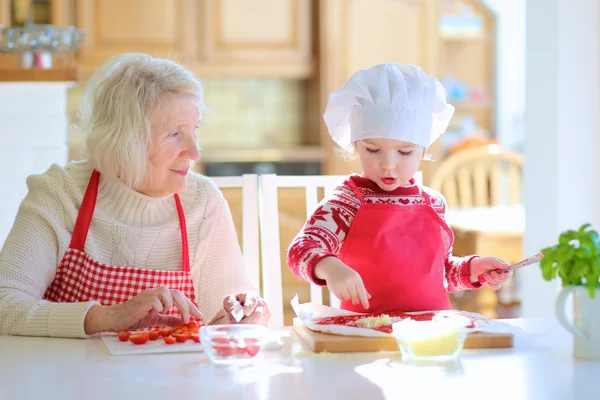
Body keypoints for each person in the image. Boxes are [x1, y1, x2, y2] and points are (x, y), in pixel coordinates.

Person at [0, 53, 269, 338]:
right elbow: (5, 305)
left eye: (194, 130)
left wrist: (246, 315)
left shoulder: (204, 202)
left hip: (175, 381)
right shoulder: (60, 194)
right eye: (175, 134)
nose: (195, 152)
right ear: (125, 143)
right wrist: (109, 316)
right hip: (69, 380)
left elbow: (223, 319)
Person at [287, 63, 513, 314]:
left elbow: (440, 274)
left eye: (404, 152)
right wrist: (330, 267)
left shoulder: (434, 203)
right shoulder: (346, 202)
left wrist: (472, 269)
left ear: (423, 151)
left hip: (430, 334)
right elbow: (301, 250)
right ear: (355, 147)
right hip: (364, 334)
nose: (387, 164)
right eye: (373, 150)